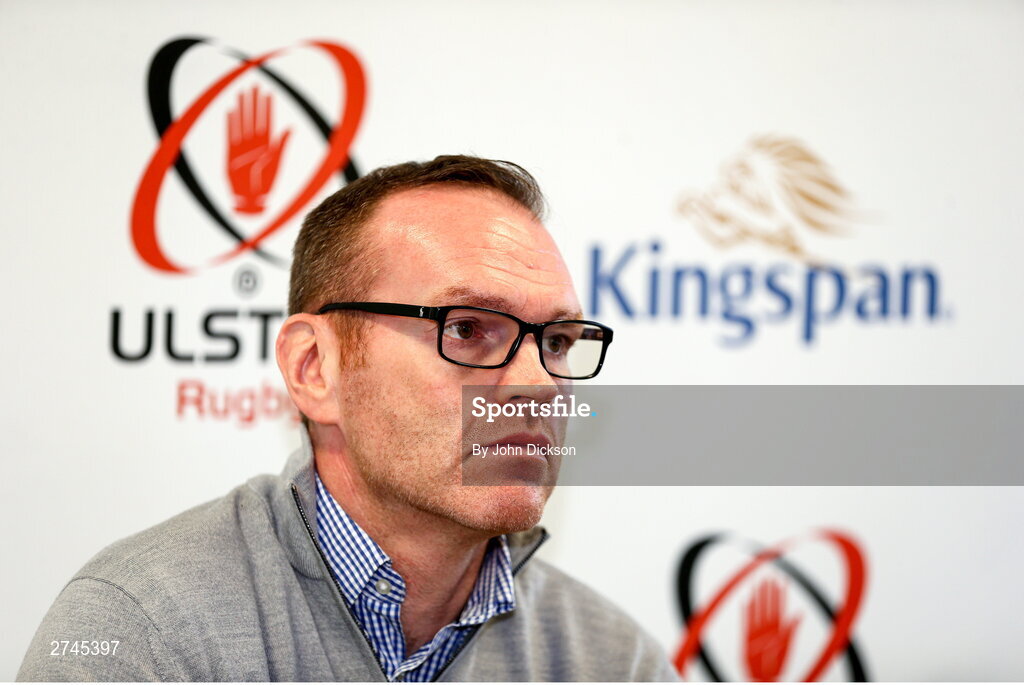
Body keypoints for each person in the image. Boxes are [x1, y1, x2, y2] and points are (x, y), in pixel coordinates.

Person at [18, 155, 678, 681]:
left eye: (558, 341)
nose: (539, 384)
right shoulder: (144, 630)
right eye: (469, 327)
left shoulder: (615, 663)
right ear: (314, 368)